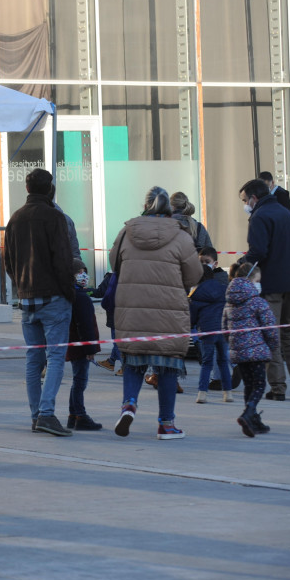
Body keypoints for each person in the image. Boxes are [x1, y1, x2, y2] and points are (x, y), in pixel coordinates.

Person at [111, 186, 203, 440]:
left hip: (131, 307)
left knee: (133, 359)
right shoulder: (182, 236)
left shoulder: (126, 232)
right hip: (169, 310)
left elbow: (113, 263)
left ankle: (129, 405)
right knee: (168, 365)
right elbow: (195, 275)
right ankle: (166, 424)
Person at [3, 168, 76, 437]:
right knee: (55, 356)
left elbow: (8, 260)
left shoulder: (16, 218)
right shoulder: (54, 217)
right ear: (50, 189)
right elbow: (63, 259)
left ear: (27, 188)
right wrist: (69, 291)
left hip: (27, 298)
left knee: (34, 358)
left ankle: (37, 415)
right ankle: (46, 413)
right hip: (54, 297)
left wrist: (21, 286)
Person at [238, 178, 290, 400]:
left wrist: (239, 265)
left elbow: (258, 251)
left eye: (245, 200)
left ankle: (278, 388)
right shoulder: (286, 214)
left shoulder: (260, 217)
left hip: (272, 284)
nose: (245, 205)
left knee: (271, 334)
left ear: (254, 198)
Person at [223, 262, 279, 437]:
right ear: (251, 280)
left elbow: (224, 329)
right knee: (260, 384)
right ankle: (248, 414)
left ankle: (253, 420)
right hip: (256, 351)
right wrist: (273, 345)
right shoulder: (257, 302)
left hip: (239, 351)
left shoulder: (229, 303)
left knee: (249, 385)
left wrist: (234, 344)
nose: (258, 284)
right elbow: (269, 327)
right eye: (257, 280)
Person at [65, 259, 104, 431]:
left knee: (77, 381)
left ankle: (73, 415)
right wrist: (90, 349)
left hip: (73, 344)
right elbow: (85, 326)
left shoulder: (72, 295)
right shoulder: (81, 298)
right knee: (80, 381)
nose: (83, 275)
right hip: (81, 346)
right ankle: (80, 415)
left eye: (84, 271)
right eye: (79, 272)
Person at [190, 261, 233, 405]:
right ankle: (228, 393)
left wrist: (191, 325)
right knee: (222, 362)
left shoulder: (196, 294)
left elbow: (193, 317)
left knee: (207, 362)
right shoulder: (223, 289)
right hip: (223, 329)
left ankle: (202, 394)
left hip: (208, 331)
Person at [94, 272, 122, 376]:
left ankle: (124, 367)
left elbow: (100, 293)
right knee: (119, 340)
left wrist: (86, 292)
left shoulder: (112, 276)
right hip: (128, 315)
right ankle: (111, 362)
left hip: (115, 314)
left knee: (117, 342)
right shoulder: (132, 273)